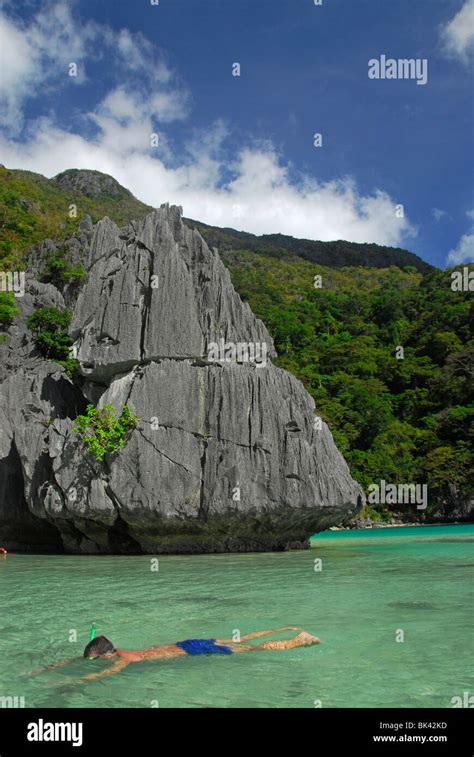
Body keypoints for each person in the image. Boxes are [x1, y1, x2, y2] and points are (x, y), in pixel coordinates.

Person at [75, 627, 321, 682]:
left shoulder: (124, 659)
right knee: (239, 639)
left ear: (105, 656)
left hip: (191, 650)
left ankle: (296, 641)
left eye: (95, 659)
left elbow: (104, 674)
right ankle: (285, 630)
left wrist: (73, 680)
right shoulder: (121, 650)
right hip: (185, 643)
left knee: (250, 649)